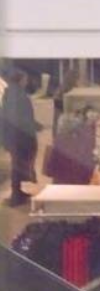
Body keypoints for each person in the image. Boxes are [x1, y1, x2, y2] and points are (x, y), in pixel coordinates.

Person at [1, 66, 38, 207]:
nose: (26, 81)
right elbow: (21, 118)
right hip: (21, 138)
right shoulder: (19, 96)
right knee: (19, 166)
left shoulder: (11, 94)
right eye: (25, 79)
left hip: (14, 137)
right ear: (20, 80)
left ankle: (20, 193)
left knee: (19, 165)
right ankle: (17, 196)